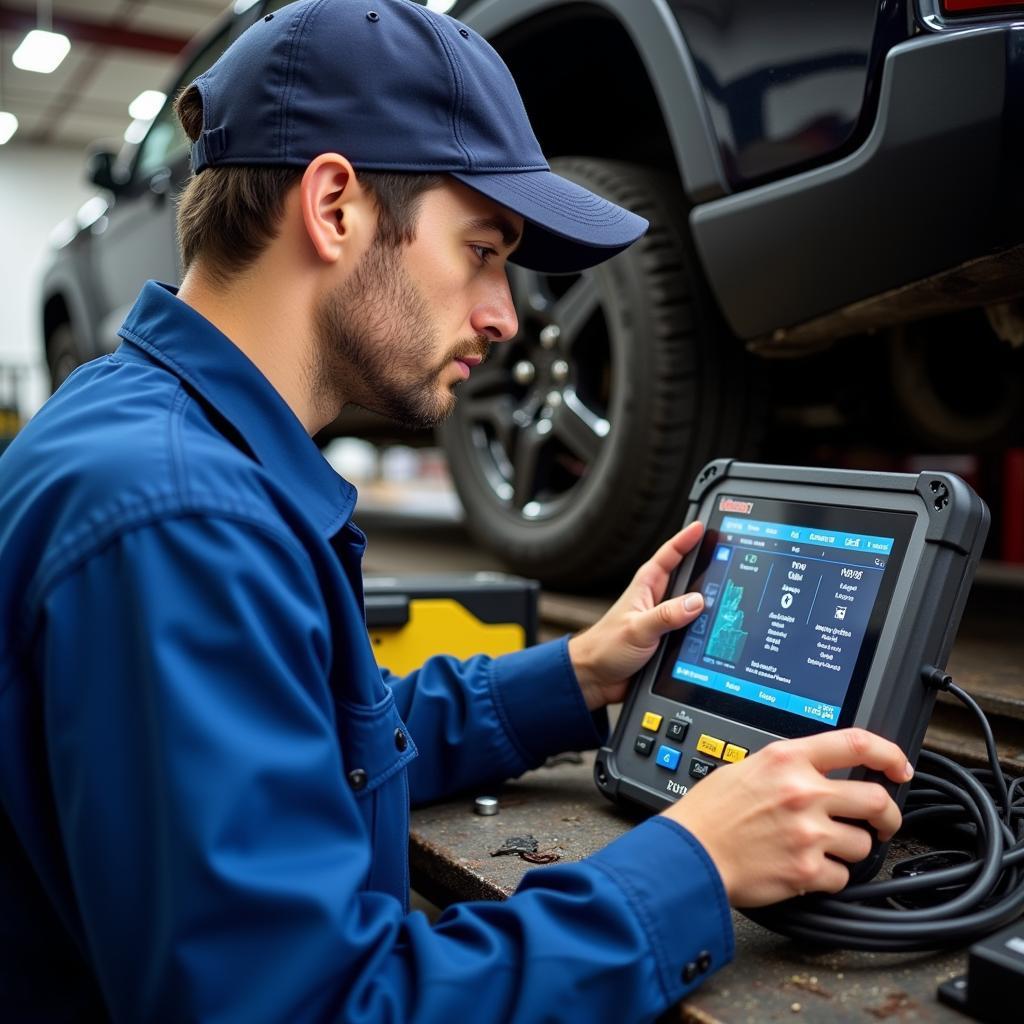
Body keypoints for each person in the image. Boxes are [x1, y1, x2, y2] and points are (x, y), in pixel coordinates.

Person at [0, 1, 913, 1020]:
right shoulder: (180, 519)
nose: (506, 315)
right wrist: (693, 864)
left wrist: (570, 678)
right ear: (335, 206)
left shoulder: (144, 432)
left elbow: (314, 742)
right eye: (484, 248)